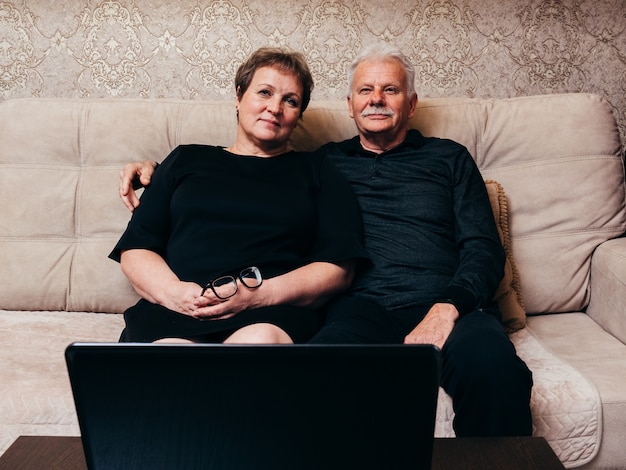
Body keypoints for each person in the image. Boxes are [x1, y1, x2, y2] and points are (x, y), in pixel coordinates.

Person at [119, 44, 533, 437]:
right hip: (361, 310)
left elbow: (483, 246)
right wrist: (154, 171)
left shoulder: (449, 158)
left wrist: (448, 308)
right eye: (365, 91)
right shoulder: (326, 162)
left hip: (449, 305)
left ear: (411, 103)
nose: (377, 99)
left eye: (390, 90)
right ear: (350, 105)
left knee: (494, 371)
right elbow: (245, 172)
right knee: (316, 379)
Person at [110, 47, 367, 345]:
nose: (275, 107)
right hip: (180, 307)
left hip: (271, 310)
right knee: (171, 354)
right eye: (264, 93)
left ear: (298, 116)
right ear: (238, 96)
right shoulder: (186, 160)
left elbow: (338, 269)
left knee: (255, 345)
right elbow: (137, 249)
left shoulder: (319, 171)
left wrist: (260, 295)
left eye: (290, 101)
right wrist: (176, 293)